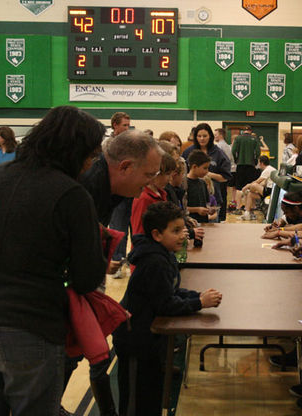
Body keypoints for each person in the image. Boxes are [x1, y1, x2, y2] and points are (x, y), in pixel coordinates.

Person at [0, 105, 106, 416]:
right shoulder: (72, 194)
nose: (91, 162)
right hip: (29, 327)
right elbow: (87, 277)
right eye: (91, 154)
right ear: (75, 150)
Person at [76, 128, 162, 416]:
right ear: (125, 166)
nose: (151, 182)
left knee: (91, 357)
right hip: (58, 296)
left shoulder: (104, 189)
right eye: (149, 175)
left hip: (80, 287)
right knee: (80, 357)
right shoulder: (85, 189)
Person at [113, 202, 222, 416]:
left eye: (183, 229)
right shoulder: (154, 262)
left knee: (151, 394)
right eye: (176, 231)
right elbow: (166, 304)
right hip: (135, 340)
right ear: (157, 234)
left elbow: (170, 291)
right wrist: (199, 303)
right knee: (136, 402)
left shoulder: (164, 255)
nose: (183, 235)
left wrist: (197, 296)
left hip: (150, 341)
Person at [182, 123, 231, 221]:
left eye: (204, 136)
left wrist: (208, 174)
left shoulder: (218, 153)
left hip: (213, 194)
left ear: (210, 137)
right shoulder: (188, 151)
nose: (202, 139)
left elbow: (226, 177)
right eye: (199, 136)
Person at [106, 112, 133, 278]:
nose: (127, 128)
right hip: (117, 193)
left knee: (135, 228)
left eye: (129, 125)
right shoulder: (108, 145)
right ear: (115, 125)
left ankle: (133, 260)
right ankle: (117, 261)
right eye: (124, 125)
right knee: (118, 228)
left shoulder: (132, 144)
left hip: (133, 191)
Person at [130, 151, 177, 236]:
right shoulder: (143, 198)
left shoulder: (162, 194)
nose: (170, 179)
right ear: (155, 173)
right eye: (167, 174)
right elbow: (138, 231)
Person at [238, 155, 276, 221]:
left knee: (254, 185)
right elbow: (263, 183)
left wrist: (247, 186)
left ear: (261, 163)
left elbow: (257, 182)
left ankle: (246, 191)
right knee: (250, 194)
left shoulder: (267, 170)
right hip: (268, 190)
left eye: (258, 162)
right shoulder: (270, 169)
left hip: (271, 191)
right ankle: (247, 214)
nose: (258, 164)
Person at [231, 126, 260, 208]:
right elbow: (258, 152)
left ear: (243, 131)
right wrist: (255, 160)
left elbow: (233, 151)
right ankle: (248, 207)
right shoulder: (254, 139)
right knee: (249, 187)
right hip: (251, 165)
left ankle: (238, 207)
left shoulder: (238, 138)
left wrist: (236, 159)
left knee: (239, 187)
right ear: (250, 131)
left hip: (240, 165)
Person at [214, 128, 235, 221]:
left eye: (216, 134)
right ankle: (223, 216)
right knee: (224, 194)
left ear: (220, 135)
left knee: (219, 195)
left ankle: (219, 216)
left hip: (220, 174)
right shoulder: (228, 146)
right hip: (226, 173)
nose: (214, 136)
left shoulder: (219, 146)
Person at [186, 150, 212, 223]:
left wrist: (209, 209)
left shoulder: (203, 183)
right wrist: (197, 209)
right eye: (205, 168)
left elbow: (206, 203)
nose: (207, 171)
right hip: (191, 223)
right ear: (194, 166)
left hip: (204, 222)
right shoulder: (184, 184)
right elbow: (181, 208)